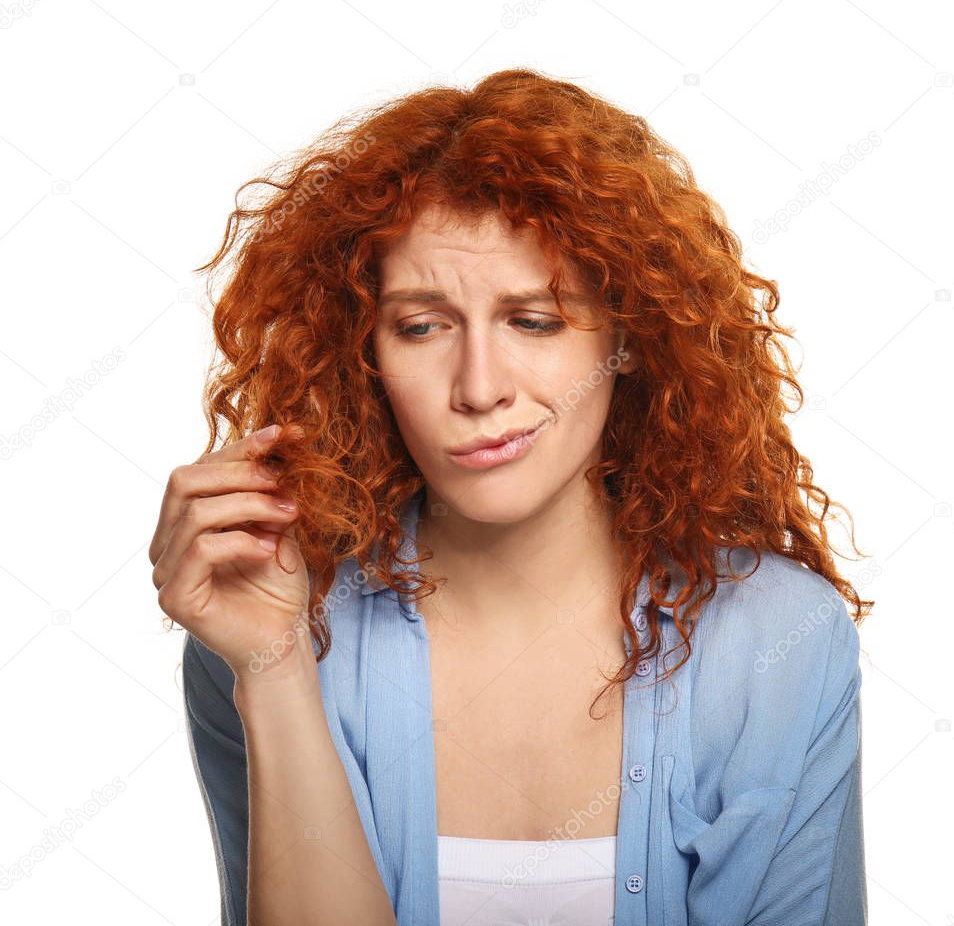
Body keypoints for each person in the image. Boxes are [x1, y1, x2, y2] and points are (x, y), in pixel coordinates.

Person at [151, 67, 873, 926]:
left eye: (533, 320)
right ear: (365, 354)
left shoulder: (773, 642)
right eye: (420, 326)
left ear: (631, 338)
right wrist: (271, 673)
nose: (479, 386)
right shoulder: (278, 633)